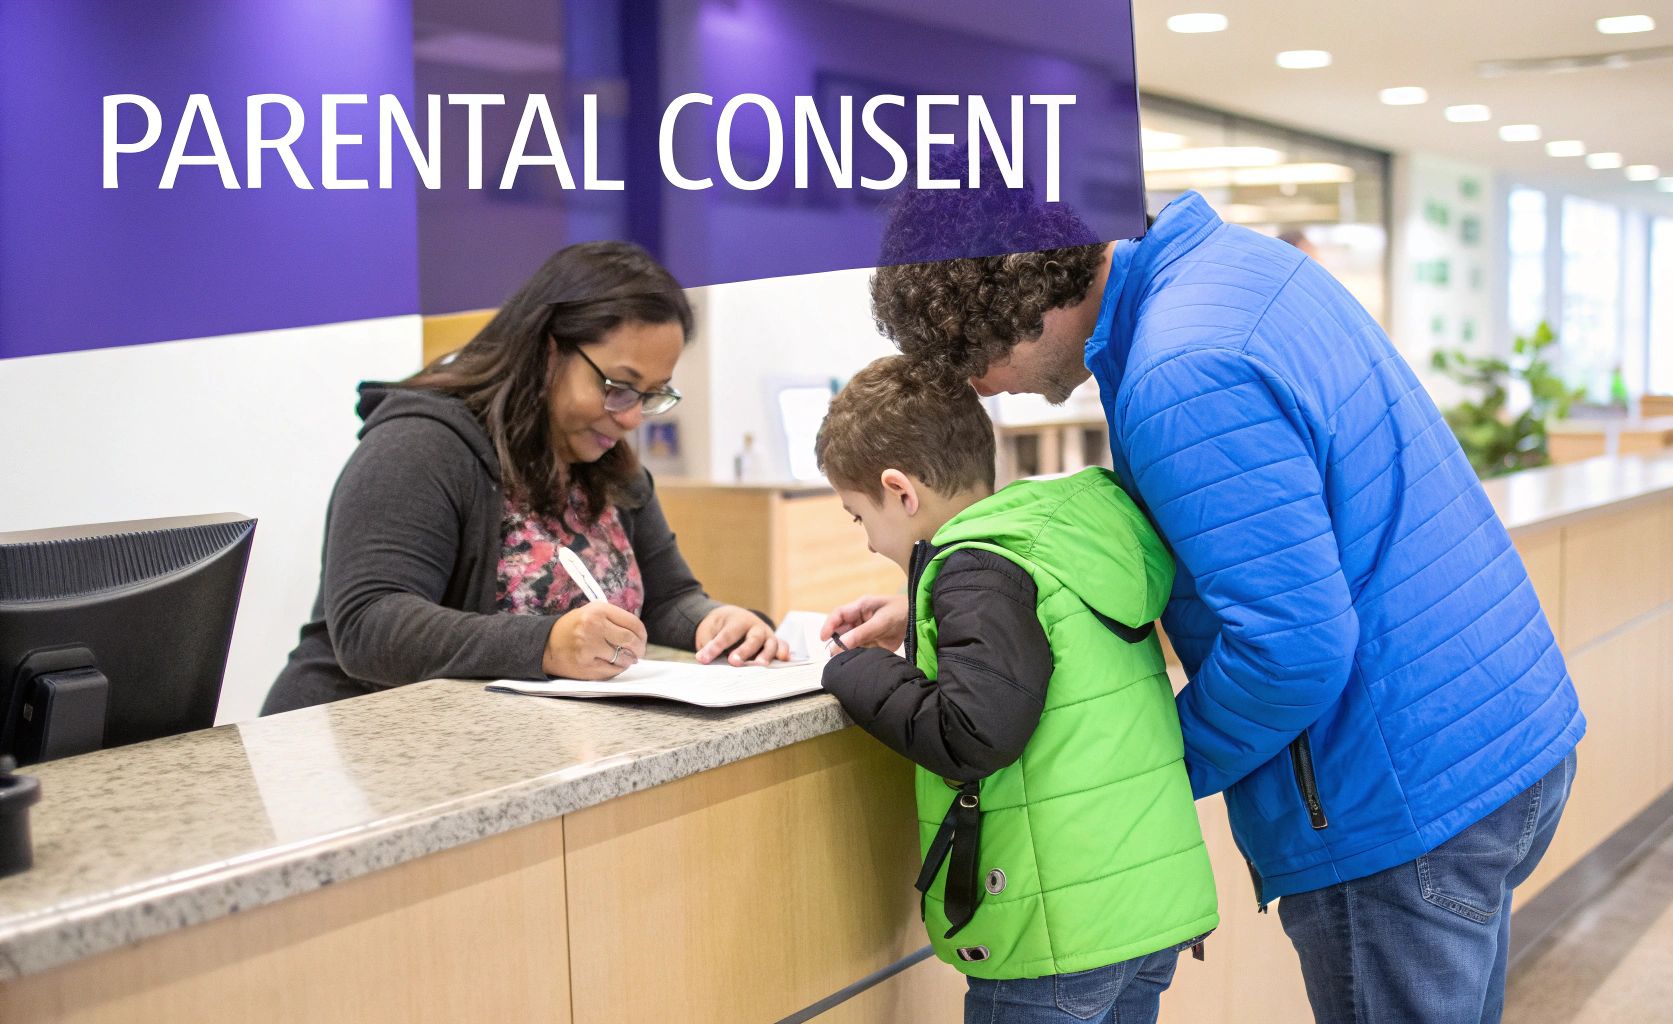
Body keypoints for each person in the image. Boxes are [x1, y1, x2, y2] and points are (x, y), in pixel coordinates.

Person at [832, 190, 1582, 1023]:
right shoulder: (1233, 274)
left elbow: (1291, 649)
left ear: (1028, 305)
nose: (983, 388)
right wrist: (975, 597)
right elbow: (1234, 528)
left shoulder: (1178, 368)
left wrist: (1137, 771)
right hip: (1485, 733)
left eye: (975, 360)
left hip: (1393, 785)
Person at [815, 356, 1219, 1024]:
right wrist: (921, 620)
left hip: (1054, 934)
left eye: (859, 517)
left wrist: (851, 670)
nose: (867, 542)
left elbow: (971, 733)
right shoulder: (1049, 544)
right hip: (1139, 914)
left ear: (900, 491)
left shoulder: (976, 570)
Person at [265, 242, 785, 714]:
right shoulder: (420, 446)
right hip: (356, 748)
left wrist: (713, 623)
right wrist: (545, 645)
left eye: (652, 394)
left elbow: (669, 599)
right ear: (548, 349)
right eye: (618, 386)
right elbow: (370, 625)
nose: (630, 418)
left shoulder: (612, 468)